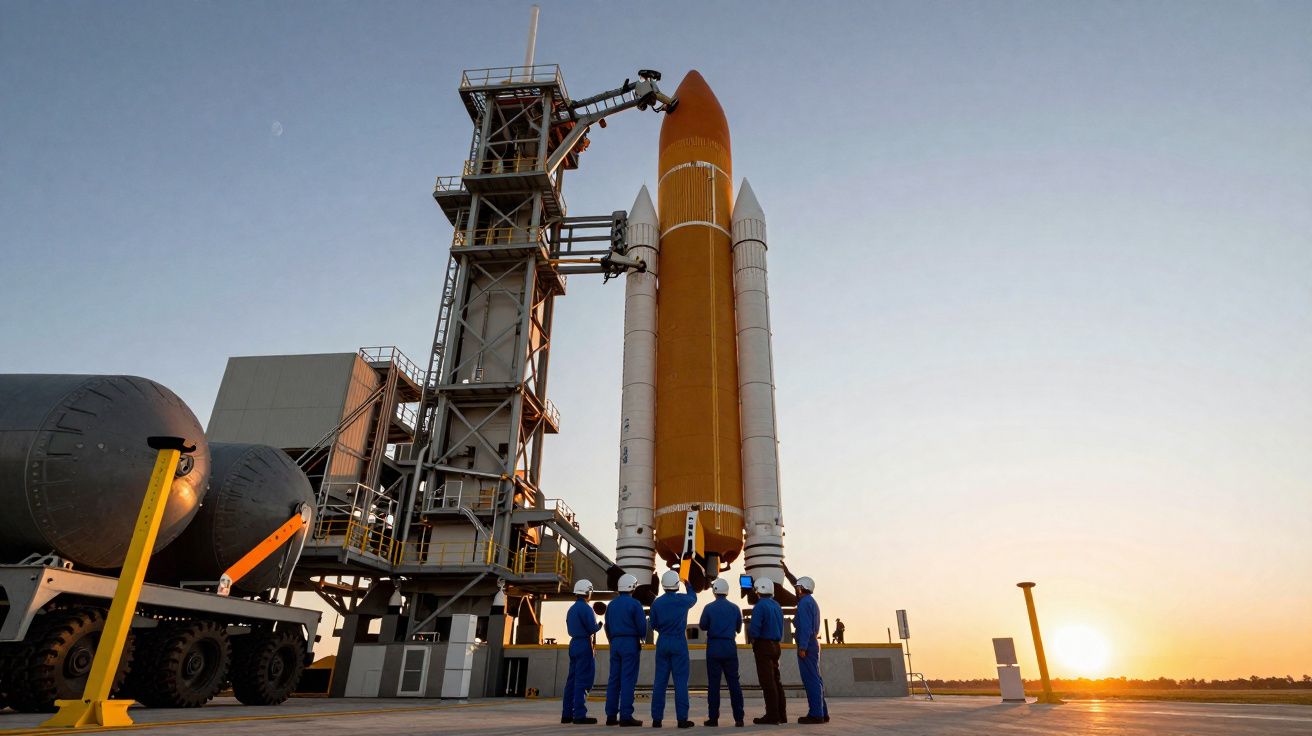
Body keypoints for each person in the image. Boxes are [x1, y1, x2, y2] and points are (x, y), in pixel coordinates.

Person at [649, 569, 698, 729]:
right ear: (677, 585)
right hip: (678, 642)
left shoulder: (656, 602)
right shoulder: (683, 600)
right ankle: (682, 720)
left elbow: (653, 624)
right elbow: (694, 597)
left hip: (663, 641)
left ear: (663, 585)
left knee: (660, 683)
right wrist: (688, 583)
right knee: (681, 682)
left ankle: (657, 720)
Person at [698, 578, 745, 728]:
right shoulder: (735, 608)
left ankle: (713, 719)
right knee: (734, 684)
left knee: (713, 685)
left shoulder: (709, 608)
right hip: (729, 646)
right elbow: (738, 629)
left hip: (714, 647)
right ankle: (739, 718)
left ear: (715, 590)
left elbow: (703, 625)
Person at [604, 573, 647, 727]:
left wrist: (612, 640)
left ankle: (610, 716)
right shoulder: (635, 604)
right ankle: (626, 716)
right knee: (628, 679)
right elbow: (642, 627)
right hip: (630, 642)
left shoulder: (611, 605)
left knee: (613, 679)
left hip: (615, 643)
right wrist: (641, 638)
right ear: (632, 587)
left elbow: (606, 626)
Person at [563, 579, 603, 724]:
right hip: (584, 644)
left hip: (573, 644)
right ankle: (579, 715)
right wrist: (600, 625)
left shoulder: (572, 609)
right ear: (588, 592)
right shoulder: (586, 608)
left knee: (571, 680)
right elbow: (592, 629)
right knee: (583, 680)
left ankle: (566, 714)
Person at [748, 577, 786, 725]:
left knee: (767, 682)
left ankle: (772, 715)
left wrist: (753, 640)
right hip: (776, 646)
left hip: (763, 646)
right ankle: (781, 714)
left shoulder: (759, 606)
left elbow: (754, 629)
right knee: (777, 681)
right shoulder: (777, 605)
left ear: (759, 590)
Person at [793, 576, 829, 725]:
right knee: (816, 678)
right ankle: (822, 712)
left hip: (807, 645)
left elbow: (806, 627)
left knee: (811, 680)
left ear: (802, 588)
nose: (796, 590)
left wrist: (802, 647)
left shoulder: (804, 603)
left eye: (797, 587)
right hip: (814, 643)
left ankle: (815, 714)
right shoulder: (811, 602)